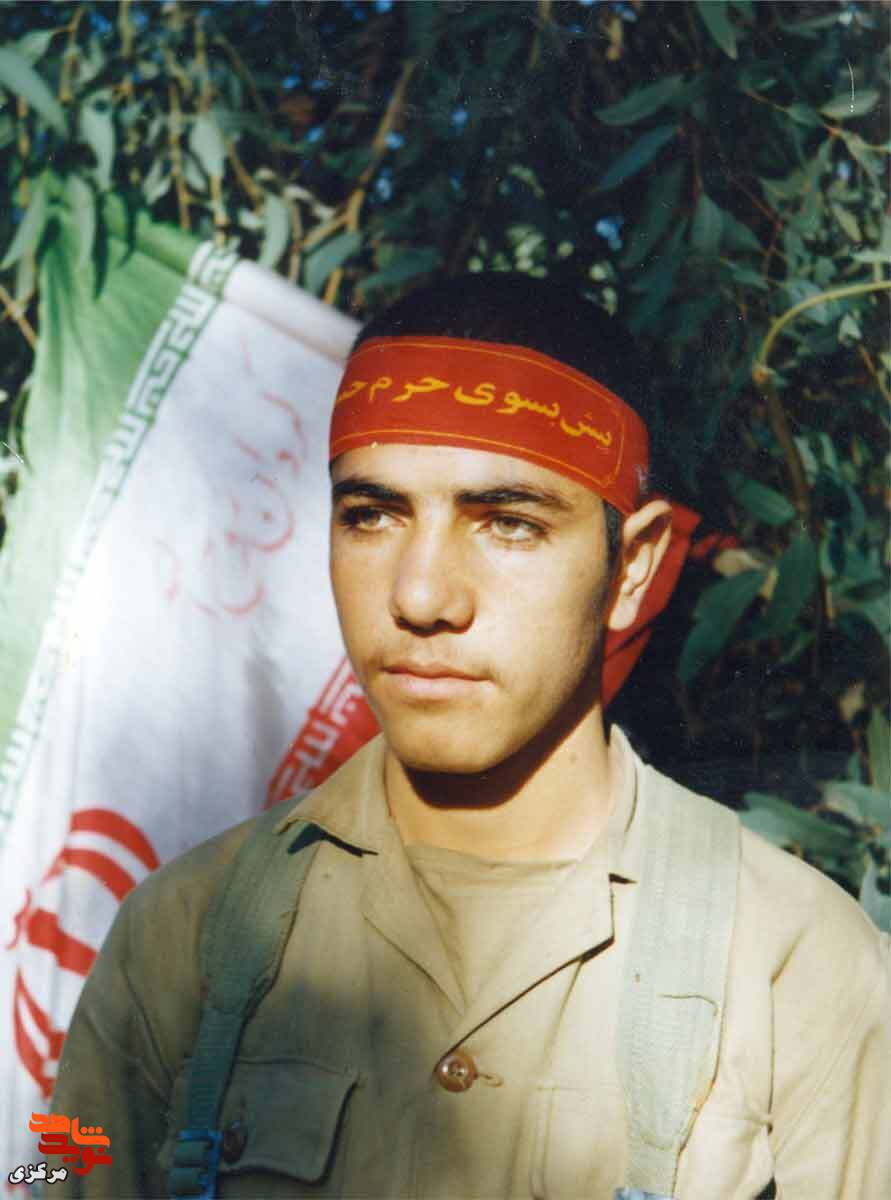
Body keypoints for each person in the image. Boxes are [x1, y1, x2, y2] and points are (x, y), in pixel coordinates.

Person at [50, 274, 889, 1199]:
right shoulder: (183, 932)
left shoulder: (791, 961)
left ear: (632, 567)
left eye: (508, 524)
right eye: (371, 516)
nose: (420, 597)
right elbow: (53, 1168)